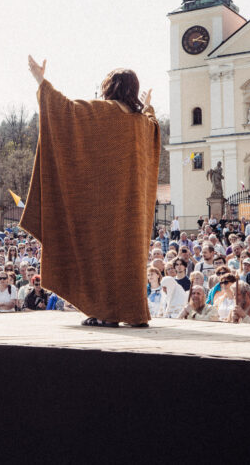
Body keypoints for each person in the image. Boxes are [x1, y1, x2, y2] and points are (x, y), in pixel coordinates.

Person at [20, 57, 159, 327]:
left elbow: (64, 111)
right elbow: (153, 124)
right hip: (132, 214)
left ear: (109, 87)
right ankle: (132, 312)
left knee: (100, 258)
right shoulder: (143, 123)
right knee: (127, 260)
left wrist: (41, 80)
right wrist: (148, 105)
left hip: (102, 209)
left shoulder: (101, 111)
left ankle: (105, 312)